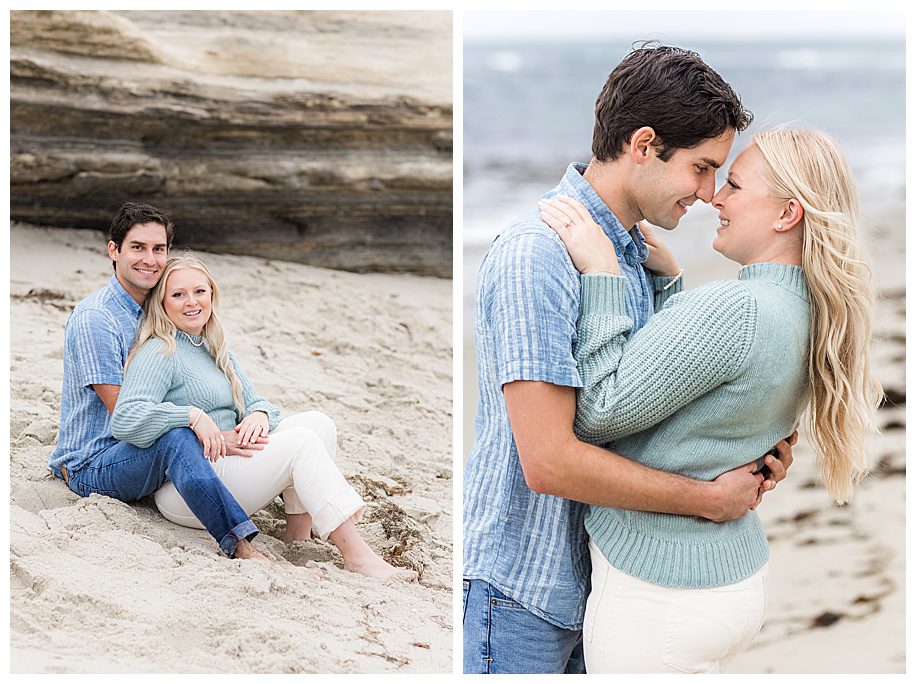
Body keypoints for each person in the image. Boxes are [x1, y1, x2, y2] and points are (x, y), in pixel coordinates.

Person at [463, 43, 795, 674]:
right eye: (701, 168)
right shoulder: (537, 256)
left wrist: (749, 448)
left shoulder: (627, 258)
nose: (708, 193)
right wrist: (706, 498)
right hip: (520, 595)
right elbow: (549, 462)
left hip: (608, 584)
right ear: (643, 144)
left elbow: (645, 410)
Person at [538, 127, 881, 673]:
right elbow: (706, 403)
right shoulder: (809, 311)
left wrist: (602, 275)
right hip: (725, 579)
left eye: (736, 186)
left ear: (787, 214)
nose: (715, 196)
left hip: (660, 592)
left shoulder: (737, 310)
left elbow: (597, 414)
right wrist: (670, 287)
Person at [110, 255, 416, 581]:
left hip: (232, 463)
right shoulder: (161, 350)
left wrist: (257, 414)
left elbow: (260, 403)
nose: (191, 302)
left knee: (318, 423)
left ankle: (297, 537)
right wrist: (192, 416)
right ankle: (357, 556)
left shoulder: (213, 347)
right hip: (190, 488)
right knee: (300, 444)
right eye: (178, 295)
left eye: (199, 291)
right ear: (162, 303)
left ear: (212, 294)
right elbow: (126, 419)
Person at [49, 202, 266, 560]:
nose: (150, 259)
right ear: (114, 251)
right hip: (95, 462)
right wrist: (195, 420)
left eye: (158, 249)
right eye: (138, 247)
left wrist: (242, 419)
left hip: (146, 453)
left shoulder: (165, 306)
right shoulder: (96, 320)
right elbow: (123, 413)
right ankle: (241, 546)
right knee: (178, 436)